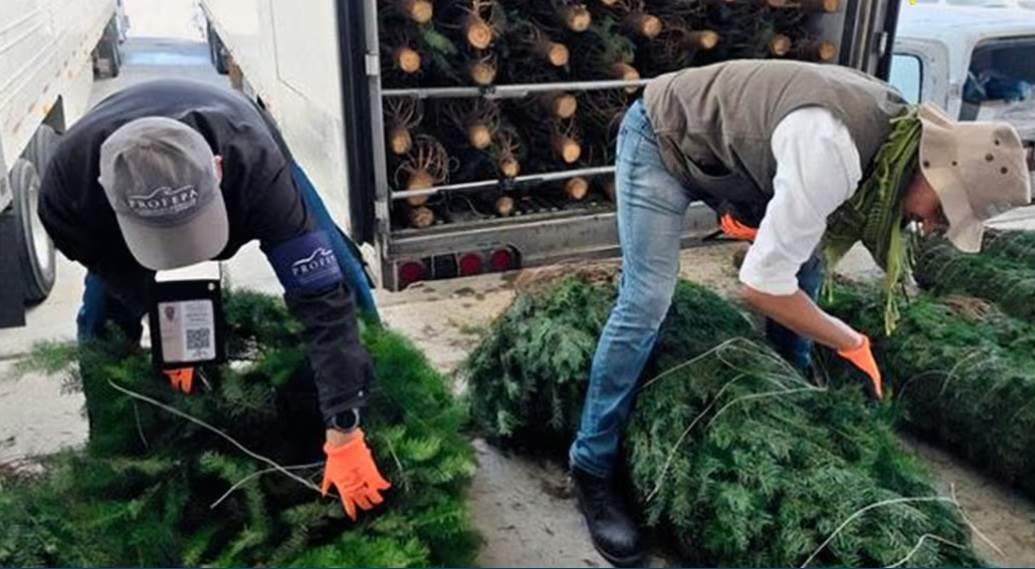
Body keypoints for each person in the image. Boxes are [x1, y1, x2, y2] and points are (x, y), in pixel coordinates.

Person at [568, 60, 1032, 566]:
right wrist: (847, 340)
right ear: (934, 171)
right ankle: (592, 468)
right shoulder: (833, 148)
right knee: (647, 301)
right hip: (665, 139)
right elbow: (760, 288)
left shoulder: (895, 141)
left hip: (739, 158)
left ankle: (787, 385)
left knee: (806, 265)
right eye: (943, 212)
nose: (935, 226)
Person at [38, 78, 389, 521]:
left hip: (240, 128)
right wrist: (163, 320)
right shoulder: (66, 195)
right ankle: (113, 448)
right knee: (101, 319)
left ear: (218, 170)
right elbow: (110, 266)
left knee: (338, 276)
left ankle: (380, 398)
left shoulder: (258, 166)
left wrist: (344, 424)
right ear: (108, 196)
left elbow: (321, 299)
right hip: (107, 193)